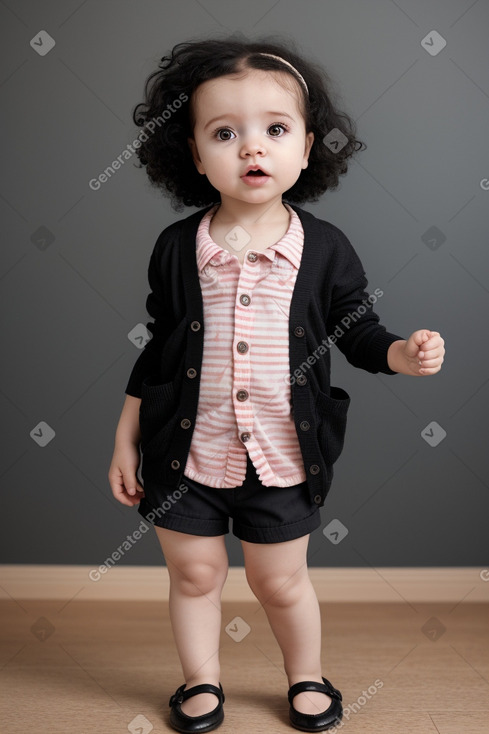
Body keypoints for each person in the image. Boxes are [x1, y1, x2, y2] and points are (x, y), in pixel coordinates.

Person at [108, 34, 445, 733]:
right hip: (184, 452)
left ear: (306, 147)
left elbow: (357, 331)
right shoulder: (178, 248)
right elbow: (158, 351)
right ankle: (200, 682)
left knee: (278, 579)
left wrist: (400, 356)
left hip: (282, 457)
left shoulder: (322, 249)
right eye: (224, 133)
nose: (251, 149)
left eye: (274, 130)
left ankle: (304, 676)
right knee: (195, 575)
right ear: (194, 156)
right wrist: (123, 439)